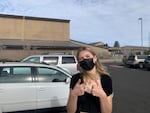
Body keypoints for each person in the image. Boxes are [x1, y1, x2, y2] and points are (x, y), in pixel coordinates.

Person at [67, 47, 113, 113]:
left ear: (95, 58)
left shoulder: (106, 79)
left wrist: (102, 96)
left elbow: (108, 112)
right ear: (79, 63)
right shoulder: (76, 79)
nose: (85, 60)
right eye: (81, 58)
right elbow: (70, 111)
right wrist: (73, 95)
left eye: (87, 56)